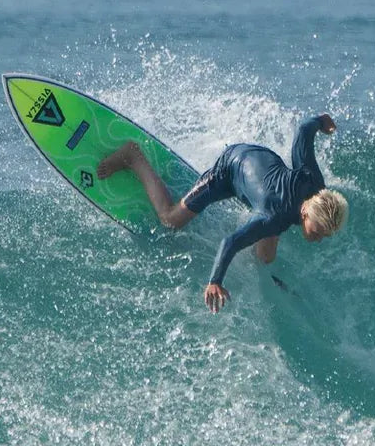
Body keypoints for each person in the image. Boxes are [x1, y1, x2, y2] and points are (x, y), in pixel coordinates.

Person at [96, 114, 348, 312]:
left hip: (260, 157)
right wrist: (215, 280)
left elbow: (304, 129)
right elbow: (230, 242)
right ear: (305, 212)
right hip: (230, 169)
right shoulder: (273, 216)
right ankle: (133, 156)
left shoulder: (315, 184)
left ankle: (272, 277)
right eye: (317, 231)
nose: (319, 239)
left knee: (265, 258)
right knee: (171, 220)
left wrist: (320, 122)